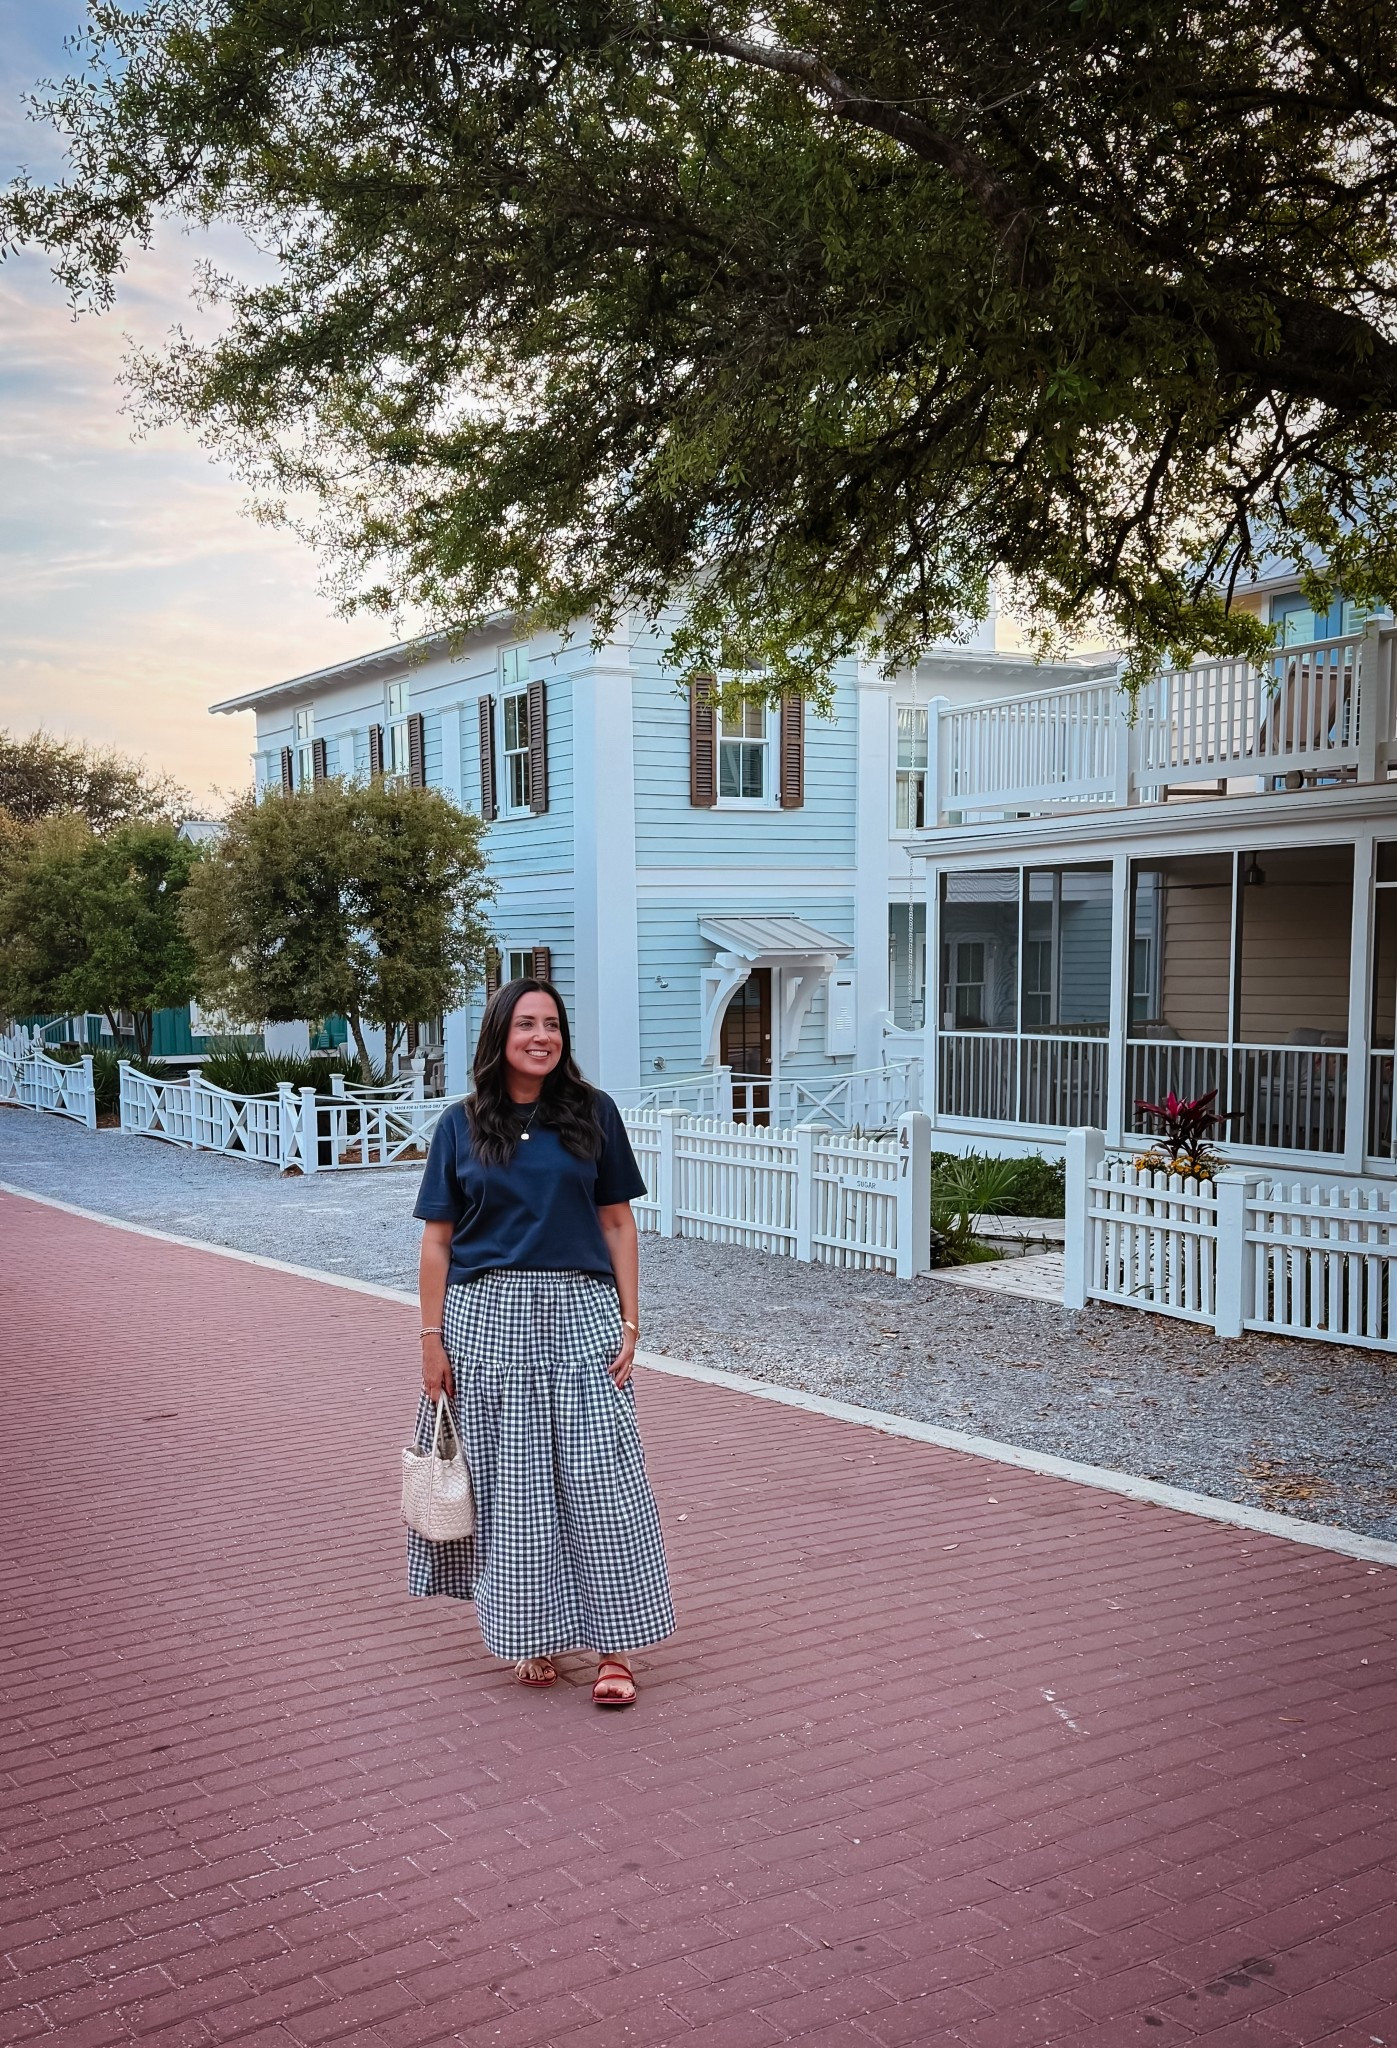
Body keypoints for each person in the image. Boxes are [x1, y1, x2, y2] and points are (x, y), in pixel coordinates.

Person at [408, 976, 674, 1706]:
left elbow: (617, 1222)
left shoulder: (593, 1112)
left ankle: (616, 1649)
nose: (541, 1037)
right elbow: (437, 1241)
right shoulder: (461, 1125)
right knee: (514, 1489)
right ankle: (532, 1635)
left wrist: (630, 1320)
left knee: (604, 1483)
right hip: (485, 1318)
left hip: (581, 1311)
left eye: (552, 1024)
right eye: (526, 1024)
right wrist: (430, 1339)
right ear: (500, 1034)